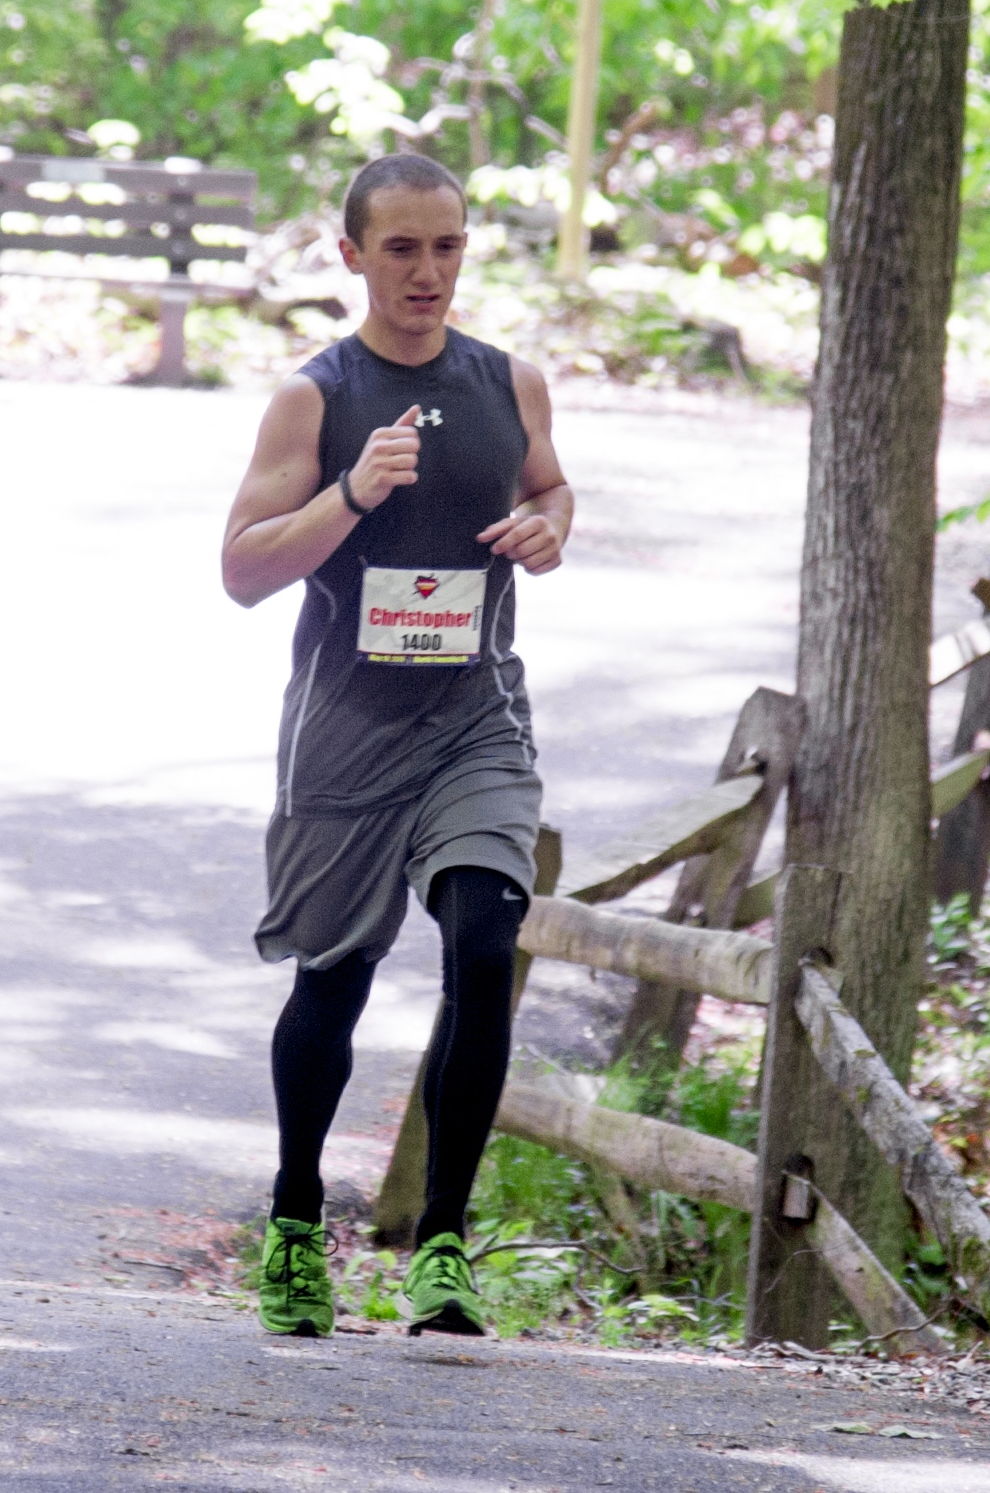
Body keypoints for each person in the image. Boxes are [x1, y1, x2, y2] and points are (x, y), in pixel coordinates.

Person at [218, 153, 574, 1337]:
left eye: (448, 247)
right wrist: (353, 496)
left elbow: (551, 488)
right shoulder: (315, 398)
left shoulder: (509, 382)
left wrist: (548, 528)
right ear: (353, 255)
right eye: (403, 249)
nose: (427, 272)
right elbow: (243, 572)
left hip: (475, 719)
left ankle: (443, 1245)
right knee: (336, 978)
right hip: (347, 732)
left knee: (483, 944)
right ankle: (294, 1220)